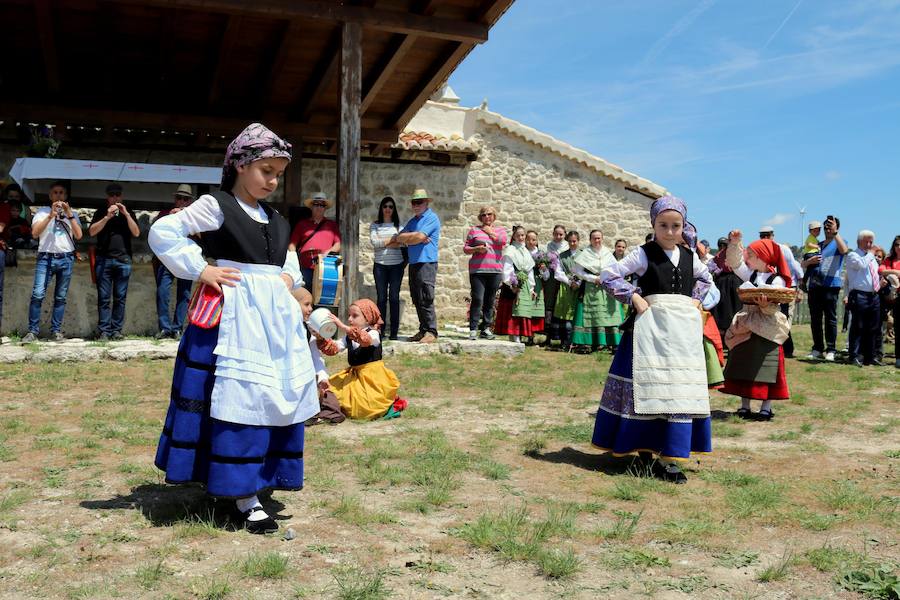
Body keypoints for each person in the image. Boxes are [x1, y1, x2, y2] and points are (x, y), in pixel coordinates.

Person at [149, 123, 317, 534]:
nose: (273, 180)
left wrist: (288, 283)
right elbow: (163, 231)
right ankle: (241, 493)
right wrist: (201, 268)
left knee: (269, 396)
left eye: (278, 173)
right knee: (233, 399)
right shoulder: (216, 205)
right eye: (266, 170)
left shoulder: (277, 219)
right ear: (240, 165)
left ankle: (251, 480)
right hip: (232, 321)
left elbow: (287, 263)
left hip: (271, 324)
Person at [591, 195, 712, 484]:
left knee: (676, 391)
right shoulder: (643, 253)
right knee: (647, 387)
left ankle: (670, 459)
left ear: (684, 226)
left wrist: (696, 301)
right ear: (654, 225)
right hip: (649, 331)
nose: (670, 232)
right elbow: (608, 275)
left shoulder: (691, 257)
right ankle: (644, 448)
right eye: (663, 225)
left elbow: (707, 281)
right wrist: (633, 296)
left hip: (680, 335)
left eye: (676, 225)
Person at [720, 232, 792, 420]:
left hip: (767, 327)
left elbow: (776, 305)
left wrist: (765, 305)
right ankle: (744, 406)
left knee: (767, 367)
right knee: (744, 364)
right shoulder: (750, 274)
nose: (747, 257)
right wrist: (735, 243)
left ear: (763, 256)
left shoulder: (777, 280)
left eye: (751, 255)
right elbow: (735, 263)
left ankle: (766, 408)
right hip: (747, 323)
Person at [317, 299, 402, 420]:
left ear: (368, 318)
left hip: (372, 379)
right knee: (331, 390)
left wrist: (341, 326)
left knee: (364, 406)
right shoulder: (349, 337)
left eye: (355, 316)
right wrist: (321, 336)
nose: (350, 319)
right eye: (349, 316)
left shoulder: (374, 333)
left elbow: (364, 340)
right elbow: (334, 348)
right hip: (354, 376)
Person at [21, 181, 83, 343]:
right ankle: (32, 331)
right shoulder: (42, 213)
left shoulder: (73, 214)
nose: (58, 195)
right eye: (55, 192)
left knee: (61, 297)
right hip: (46, 257)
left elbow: (79, 236)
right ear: (50, 196)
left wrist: (69, 214)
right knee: (38, 294)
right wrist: (51, 216)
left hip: (66, 258)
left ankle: (56, 331)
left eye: (61, 192)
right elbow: (35, 234)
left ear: (66, 196)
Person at [89, 183, 141, 340]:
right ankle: (104, 330)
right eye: (112, 195)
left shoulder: (128, 212)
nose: (115, 198)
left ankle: (116, 330)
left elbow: (136, 233)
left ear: (121, 196)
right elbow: (92, 232)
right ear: (107, 197)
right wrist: (107, 217)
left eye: (117, 195)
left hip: (123, 259)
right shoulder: (100, 211)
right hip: (104, 259)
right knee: (103, 297)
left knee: (120, 297)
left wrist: (126, 214)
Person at [394, 189, 441, 343]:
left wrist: (413, 237)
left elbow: (418, 236)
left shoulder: (431, 218)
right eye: (414, 202)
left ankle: (431, 331)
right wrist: (412, 237)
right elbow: (398, 237)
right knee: (417, 297)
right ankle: (423, 329)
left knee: (426, 296)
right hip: (414, 263)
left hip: (426, 262)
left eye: (419, 202)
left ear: (426, 203)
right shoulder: (413, 221)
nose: (416, 205)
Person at [291, 286, 342, 425]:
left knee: (333, 407)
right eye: (306, 305)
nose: (310, 309)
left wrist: (322, 377)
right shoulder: (284, 328)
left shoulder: (309, 331)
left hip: (305, 376)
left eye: (311, 305)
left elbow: (315, 356)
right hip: (289, 376)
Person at [152, 184, 196, 339]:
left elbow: (202, 235)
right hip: (168, 259)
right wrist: (170, 217)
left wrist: (188, 218)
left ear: (189, 201)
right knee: (162, 292)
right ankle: (164, 328)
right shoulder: (165, 213)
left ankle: (177, 328)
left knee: (184, 294)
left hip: (186, 259)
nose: (181, 202)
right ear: (175, 199)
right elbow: (155, 232)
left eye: (185, 199)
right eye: (179, 198)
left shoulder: (194, 216)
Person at [802, 216, 848, 361]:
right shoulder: (817, 244)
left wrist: (835, 233)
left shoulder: (839, 241)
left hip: (831, 286)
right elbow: (803, 264)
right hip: (815, 286)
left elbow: (844, 250)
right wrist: (809, 261)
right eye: (826, 226)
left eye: (831, 226)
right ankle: (817, 348)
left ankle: (831, 350)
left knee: (830, 319)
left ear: (836, 228)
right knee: (815, 319)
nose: (828, 228)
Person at [571, 230, 623, 352]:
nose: (597, 241)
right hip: (591, 287)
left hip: (607, 287)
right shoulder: (585, 253)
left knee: (608, 314)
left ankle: (612, 342)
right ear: (590, 240)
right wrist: (593, 278)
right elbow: (578, 271)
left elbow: (614, 269)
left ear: (602, 239)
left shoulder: (607, 253)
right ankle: (590, 343)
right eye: (594, 238)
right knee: (594, 315)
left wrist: (606, 278)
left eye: (599, 238)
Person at [463, 205, 507, 340]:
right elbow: (465, 248)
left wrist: (490, 232)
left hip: (495, 270)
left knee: (490, 300)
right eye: (484, 215)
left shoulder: (500, 230)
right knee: (477, 299)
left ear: (494, 216)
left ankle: (486, 328)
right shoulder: (474, 230)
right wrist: (477, 249)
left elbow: (502, 241)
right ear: (480, 217)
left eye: (489, 214)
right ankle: (473, 329)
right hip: (478, 270)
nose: (487, 217)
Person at [759, 226, 803, 358]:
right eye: (763, 235)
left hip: (785, 287)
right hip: (770, 288)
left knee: (784, 317)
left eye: (768, 235)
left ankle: (787, 348)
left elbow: (794, 267)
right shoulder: (760, 250)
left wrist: (798, 288)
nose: (766, 238)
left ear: (773, 235)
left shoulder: (783, 249)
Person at [494, 225, 543, 343]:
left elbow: (529, 270)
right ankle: (514, 336)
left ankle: (517, 336)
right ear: (514, 237)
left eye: (523, 235)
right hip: (514, 284)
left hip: (524, 284)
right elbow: (507, 269)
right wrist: (512, 284)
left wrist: (531, 288)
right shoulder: (510, 250)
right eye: (518, 235)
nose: (521, 238)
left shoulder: (525, 251)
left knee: (522, 310)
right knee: (514, 311)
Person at [288, 192, 341, 293]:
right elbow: (292, 245)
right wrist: (293, 262)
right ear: (311, 207)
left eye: (322, 205)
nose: (319, 207)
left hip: (325, 268)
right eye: (316, 204)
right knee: (305, 296)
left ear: (325, 208)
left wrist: (328, 252)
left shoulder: (331, 225)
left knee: (321, 299)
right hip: (305, 267)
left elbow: (338, 245)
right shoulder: (302, 224)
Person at [844, 230, 882, 367]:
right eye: (867, 241)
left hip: (873, 295)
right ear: (859, 241)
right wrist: (871, 254)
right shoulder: (853, 255)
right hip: (859, 294)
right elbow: (861, 265)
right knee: (857, 326)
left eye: (871, 241)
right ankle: (854, 355)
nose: (870, 244)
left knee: (873, 327)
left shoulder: (870, 257)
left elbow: (874, 273)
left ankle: (870, 356)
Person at [370, 196, 405, 340]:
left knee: (394, 298)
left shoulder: (399, 226)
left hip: (397, 266)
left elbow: (402, 243)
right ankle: (381, 330)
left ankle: (394, 333)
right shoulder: (375, 225)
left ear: (394, 209)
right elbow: (374, 243)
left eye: (391, 206)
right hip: (380, 266)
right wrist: (392, 240)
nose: (388, 209)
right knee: (382, 298)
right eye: (385, 206)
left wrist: (384, 242)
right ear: (381, 208)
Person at [709, 236, 743, 340]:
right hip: (723, 284)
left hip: (732, 284)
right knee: (723, 311)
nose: (723, 247)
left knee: (733, 310)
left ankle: (733, 335)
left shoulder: (726, 256)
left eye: (724, 245)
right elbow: (710, 269)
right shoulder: (716, 257)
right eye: (721, 245)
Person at [551, 231, 581, 351]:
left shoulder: (583, 255)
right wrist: (569, 282)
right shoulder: (562, 255)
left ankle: (577, 341)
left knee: (576, 315)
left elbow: (586, 271)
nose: (572, 243)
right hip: (565, 287)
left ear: (578, 241)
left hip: (579, 288)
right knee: (564, 314)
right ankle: (565, 341)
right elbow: (558, 272)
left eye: (575, 241)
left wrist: (578, 282)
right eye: (570, 241)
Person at [542, 225, 567, 341]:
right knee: (550, 303)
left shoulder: (567, 246)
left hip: (564, 278)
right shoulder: (549, 246)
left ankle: (563, 335)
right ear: (553, 234)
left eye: (561, 234)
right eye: (556, 234)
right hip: (551, 278)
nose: (558, 236)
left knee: (562, 302)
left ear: (564, 235)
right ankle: (548, 334)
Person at [879, 235, 900, 368]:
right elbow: (881, 270)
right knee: (879, 325)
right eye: (897, 244)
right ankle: (876, 353)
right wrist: (896, 272)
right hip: (888, 296)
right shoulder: (888, 259)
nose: (899, 247)